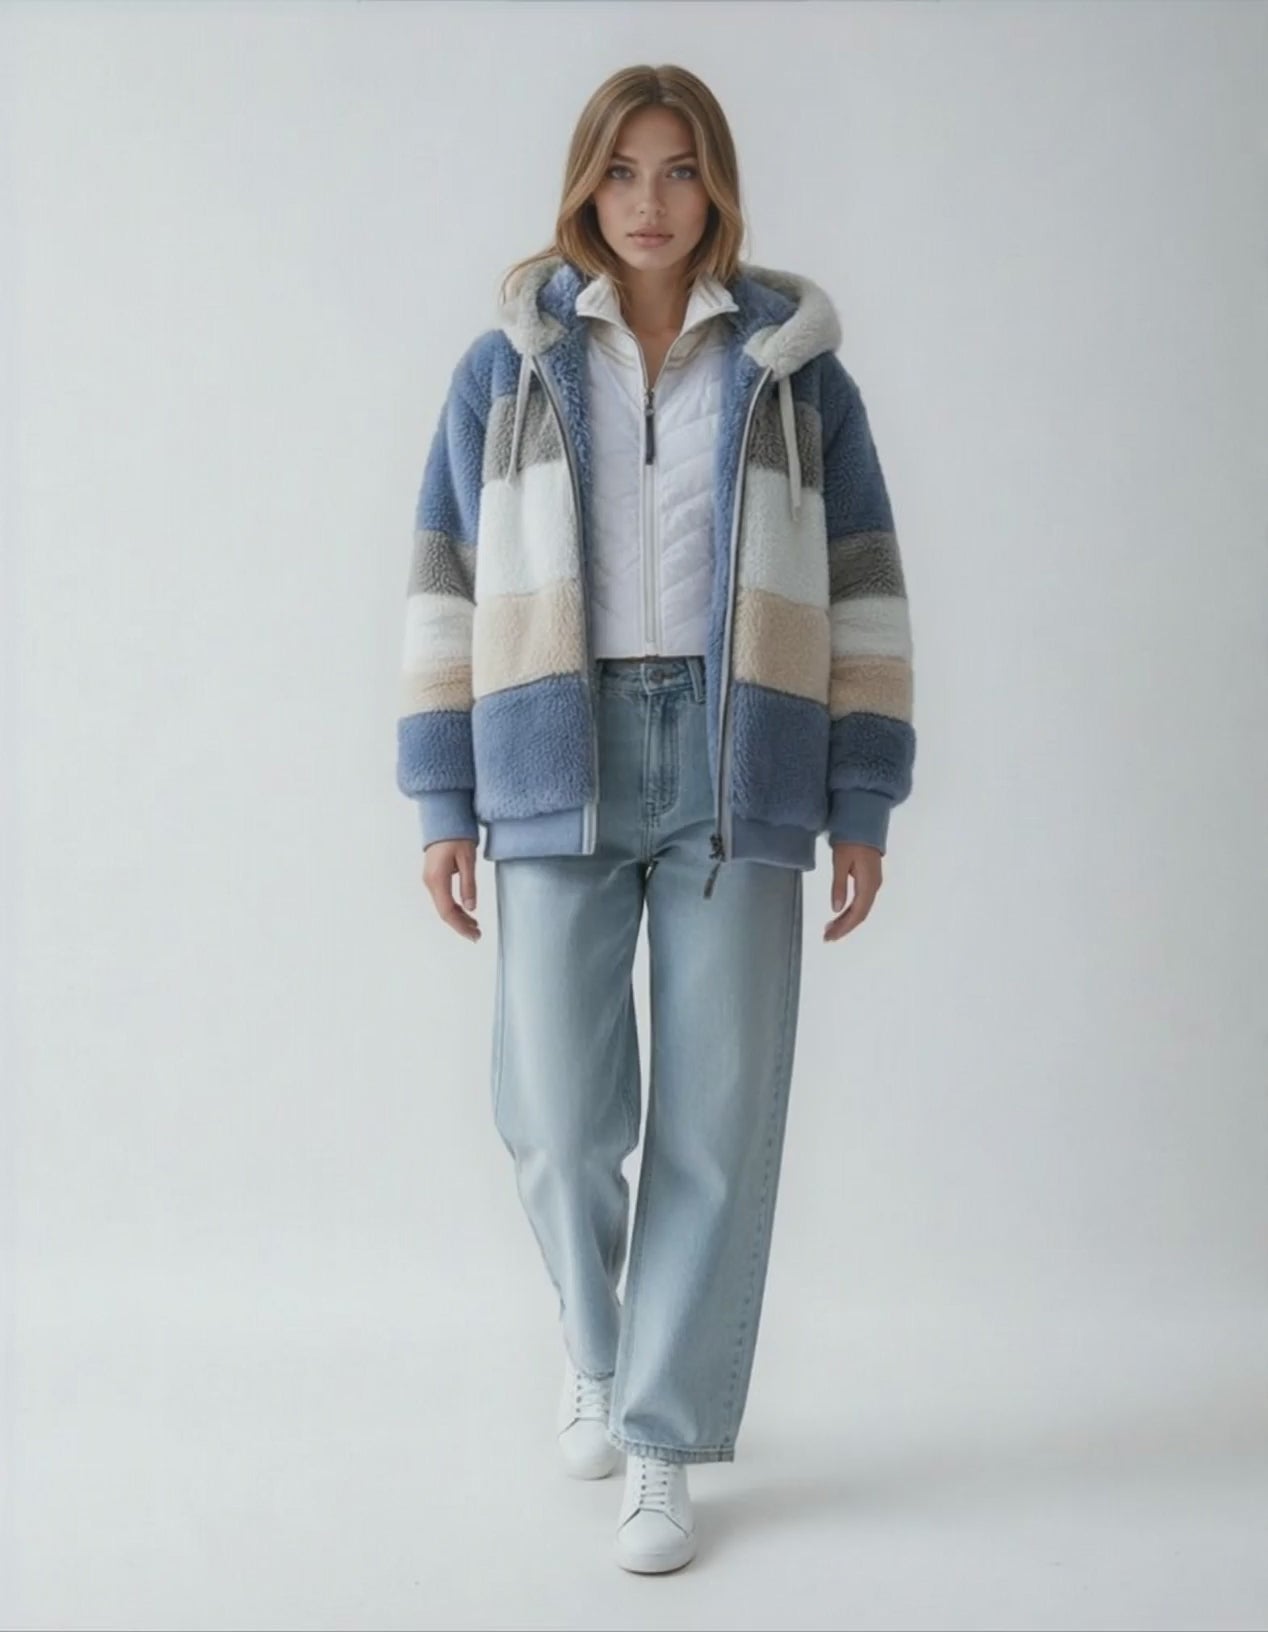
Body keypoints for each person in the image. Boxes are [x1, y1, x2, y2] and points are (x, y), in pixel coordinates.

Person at [395, 63, 916, 1574]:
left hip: (744, 755)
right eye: (622, 170)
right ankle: (598, 1340)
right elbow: (442, 582)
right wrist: (442, 793)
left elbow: (867, 589)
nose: (649, 201)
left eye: (679, 170)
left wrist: (862, 792)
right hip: (553, 745)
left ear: (718, 190)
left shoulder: (795, 378)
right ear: (585, 186)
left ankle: (662, 1439)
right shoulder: (504, 373)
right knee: (558, 1115)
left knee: (716, 1115)